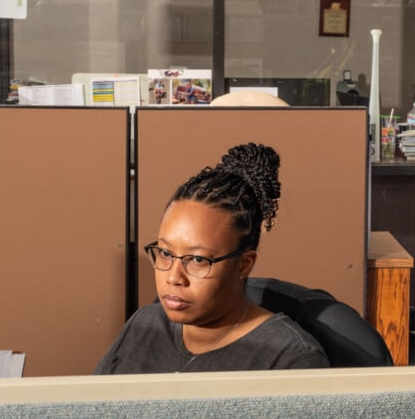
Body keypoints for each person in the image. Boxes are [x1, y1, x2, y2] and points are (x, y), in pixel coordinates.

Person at [94, 143, 329, 374]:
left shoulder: (289, 358)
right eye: (165, 253)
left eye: (197, 260)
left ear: (244, 264)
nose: (174, 277)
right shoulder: (145, 324)